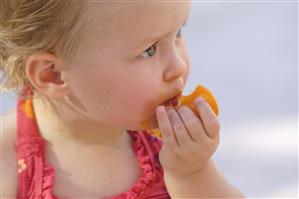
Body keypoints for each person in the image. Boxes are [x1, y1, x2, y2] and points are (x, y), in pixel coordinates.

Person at [1, 1, 245, 198]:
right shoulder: (9, 161)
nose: (179, 66)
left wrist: (192, 173)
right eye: (148, 50)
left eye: (178, 32)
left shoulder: (170, 145)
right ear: (52, 75)